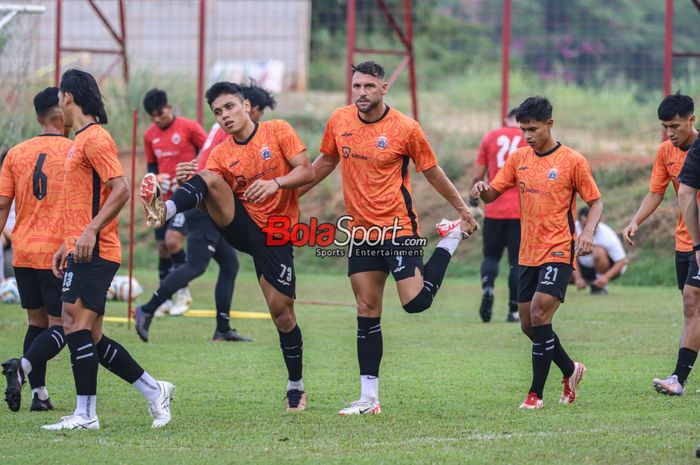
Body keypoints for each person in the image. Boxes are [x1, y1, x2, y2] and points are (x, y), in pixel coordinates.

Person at [300, 61, 478, 415]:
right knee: (366, 310)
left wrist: (462, 210)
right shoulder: (339, 120)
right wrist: (290, 196)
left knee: (415, 303)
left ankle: (449, 239)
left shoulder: (406, 128)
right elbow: (323, 163)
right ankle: (368, 399)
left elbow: (433, 172)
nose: (362, 93)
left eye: (369, 86)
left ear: (384, 88)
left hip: (398, 229)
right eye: (357, 86)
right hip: (362, 233)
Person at [139, 81, 315, 412]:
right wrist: (189, 177)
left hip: (277, 234)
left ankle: (296, 385)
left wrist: (275, 183)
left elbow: (306, 171)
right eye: (218, 112)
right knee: (208, 179)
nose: (225, 116)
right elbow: (208, 179)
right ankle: (165, 211)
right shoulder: (221, 151)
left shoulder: (277, 131)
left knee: (283, 314)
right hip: (240, 225)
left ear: (246, 105)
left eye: (230, 107)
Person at [40, 69, 173, 430]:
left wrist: (90, 231)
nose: (59, 105)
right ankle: (154, 390)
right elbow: (83, 199)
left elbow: (121, 189)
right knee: (91, 336)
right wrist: (66, 243)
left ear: (68, 97)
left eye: (59, 98)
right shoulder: (80, 140)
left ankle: (85, 415)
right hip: (82, 247)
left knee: (73, 322)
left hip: (97, 248)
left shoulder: (95, 138)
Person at [472, 96, 603, 409]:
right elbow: (493, 194)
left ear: (550, 124)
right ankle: (571, 370)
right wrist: (481, 189)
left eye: (532, 129)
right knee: (529, 325)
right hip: (527, 252)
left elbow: (595, 201)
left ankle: (535, 395)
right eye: (523, 129)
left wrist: (587, 232)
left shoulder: (572, 161)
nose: (527, 135)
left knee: (541, 312)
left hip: (558, 248)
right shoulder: (519, 158)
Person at [134, 84, 276, 342]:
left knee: (230, 264)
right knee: (196, 265)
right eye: (261, 112)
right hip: (205, 203)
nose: (260, 119)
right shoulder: (233, 131)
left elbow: (207, 158)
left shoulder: (221, 127)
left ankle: (222, 328)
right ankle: (146, 309)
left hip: (210, 201)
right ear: (251, 108)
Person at [0, 87, 72, 413]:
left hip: (23, 251)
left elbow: (3, 205)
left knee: (36, 323)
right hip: (57, 254)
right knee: (65, 326)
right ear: (61, 112)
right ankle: (23, 369)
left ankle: (39, 395)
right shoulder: (74, 151)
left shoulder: (15, 153)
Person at [625, 92, 699, 396]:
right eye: (665, 127)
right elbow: (656, 192)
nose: (670, 133)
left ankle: (678, 379)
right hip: (684, 242)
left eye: (675, 126)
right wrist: (635, 220)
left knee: (694, 299)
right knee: (689, 307)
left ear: (691, 120)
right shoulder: (665, 152)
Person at [143, 89, 207, 315]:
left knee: (172, 241)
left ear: (168, 107)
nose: (157, 119)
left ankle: (183, 293)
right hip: (163, 198)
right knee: (162, 248)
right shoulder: (150, 135)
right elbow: (152, 167)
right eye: (152, 116)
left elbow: (209, 152)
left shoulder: (189, 127)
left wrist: (193, 175)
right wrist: (156, 178)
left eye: (160, 113)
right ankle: (165, 300)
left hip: (186, 195)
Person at [470, 108, 525, 322]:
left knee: (490, 257)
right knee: (516, 262)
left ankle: (488, 287)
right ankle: (513, 310)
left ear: (506, 119)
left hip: (493, 208)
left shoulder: (490, 137)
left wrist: (473, 203)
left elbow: (478, 176)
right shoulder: (527, 138)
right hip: (520, 211)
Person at [572, 207, 628, 295]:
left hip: (605, 268)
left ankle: (599, 285)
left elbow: (621, 261)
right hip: (581, 268)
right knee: (561, 256)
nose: (588, 229)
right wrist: (578, 278)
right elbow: (569, 256)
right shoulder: (571, 231)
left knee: (598, 251)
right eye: (584, 225)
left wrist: (606, 277)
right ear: (579, 221)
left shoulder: (607, 234)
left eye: (591, 225)